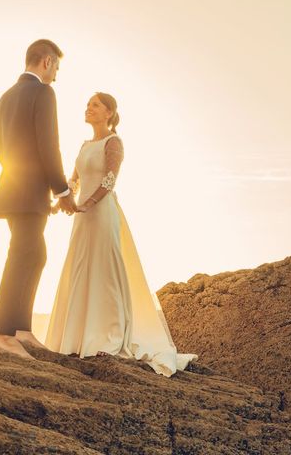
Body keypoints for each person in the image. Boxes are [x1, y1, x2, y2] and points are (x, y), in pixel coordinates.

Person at [44, 92, 198, 377]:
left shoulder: (113, 142)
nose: (88, 108)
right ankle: (77, 336)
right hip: (81, 218)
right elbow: (74, 179)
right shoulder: (84, 144)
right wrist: (62, 201)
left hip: (102, 214)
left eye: (95, 105)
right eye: (88, 104)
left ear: (109, 113)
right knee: (79, 269)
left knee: (106, 271)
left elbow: (110, 179)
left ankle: (109, 334)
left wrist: (89, 203)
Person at [0, 39, 78, 360]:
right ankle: (3, 334)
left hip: (12, 187)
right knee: (21, 255)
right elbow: (49, 145)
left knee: (35, 254)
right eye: (56, 67)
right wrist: (62, 191)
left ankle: (22, 330)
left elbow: (1, 152)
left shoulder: (3, 99)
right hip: (31, 191)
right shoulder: (43, 93)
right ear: (46, 62)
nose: (56, 75)